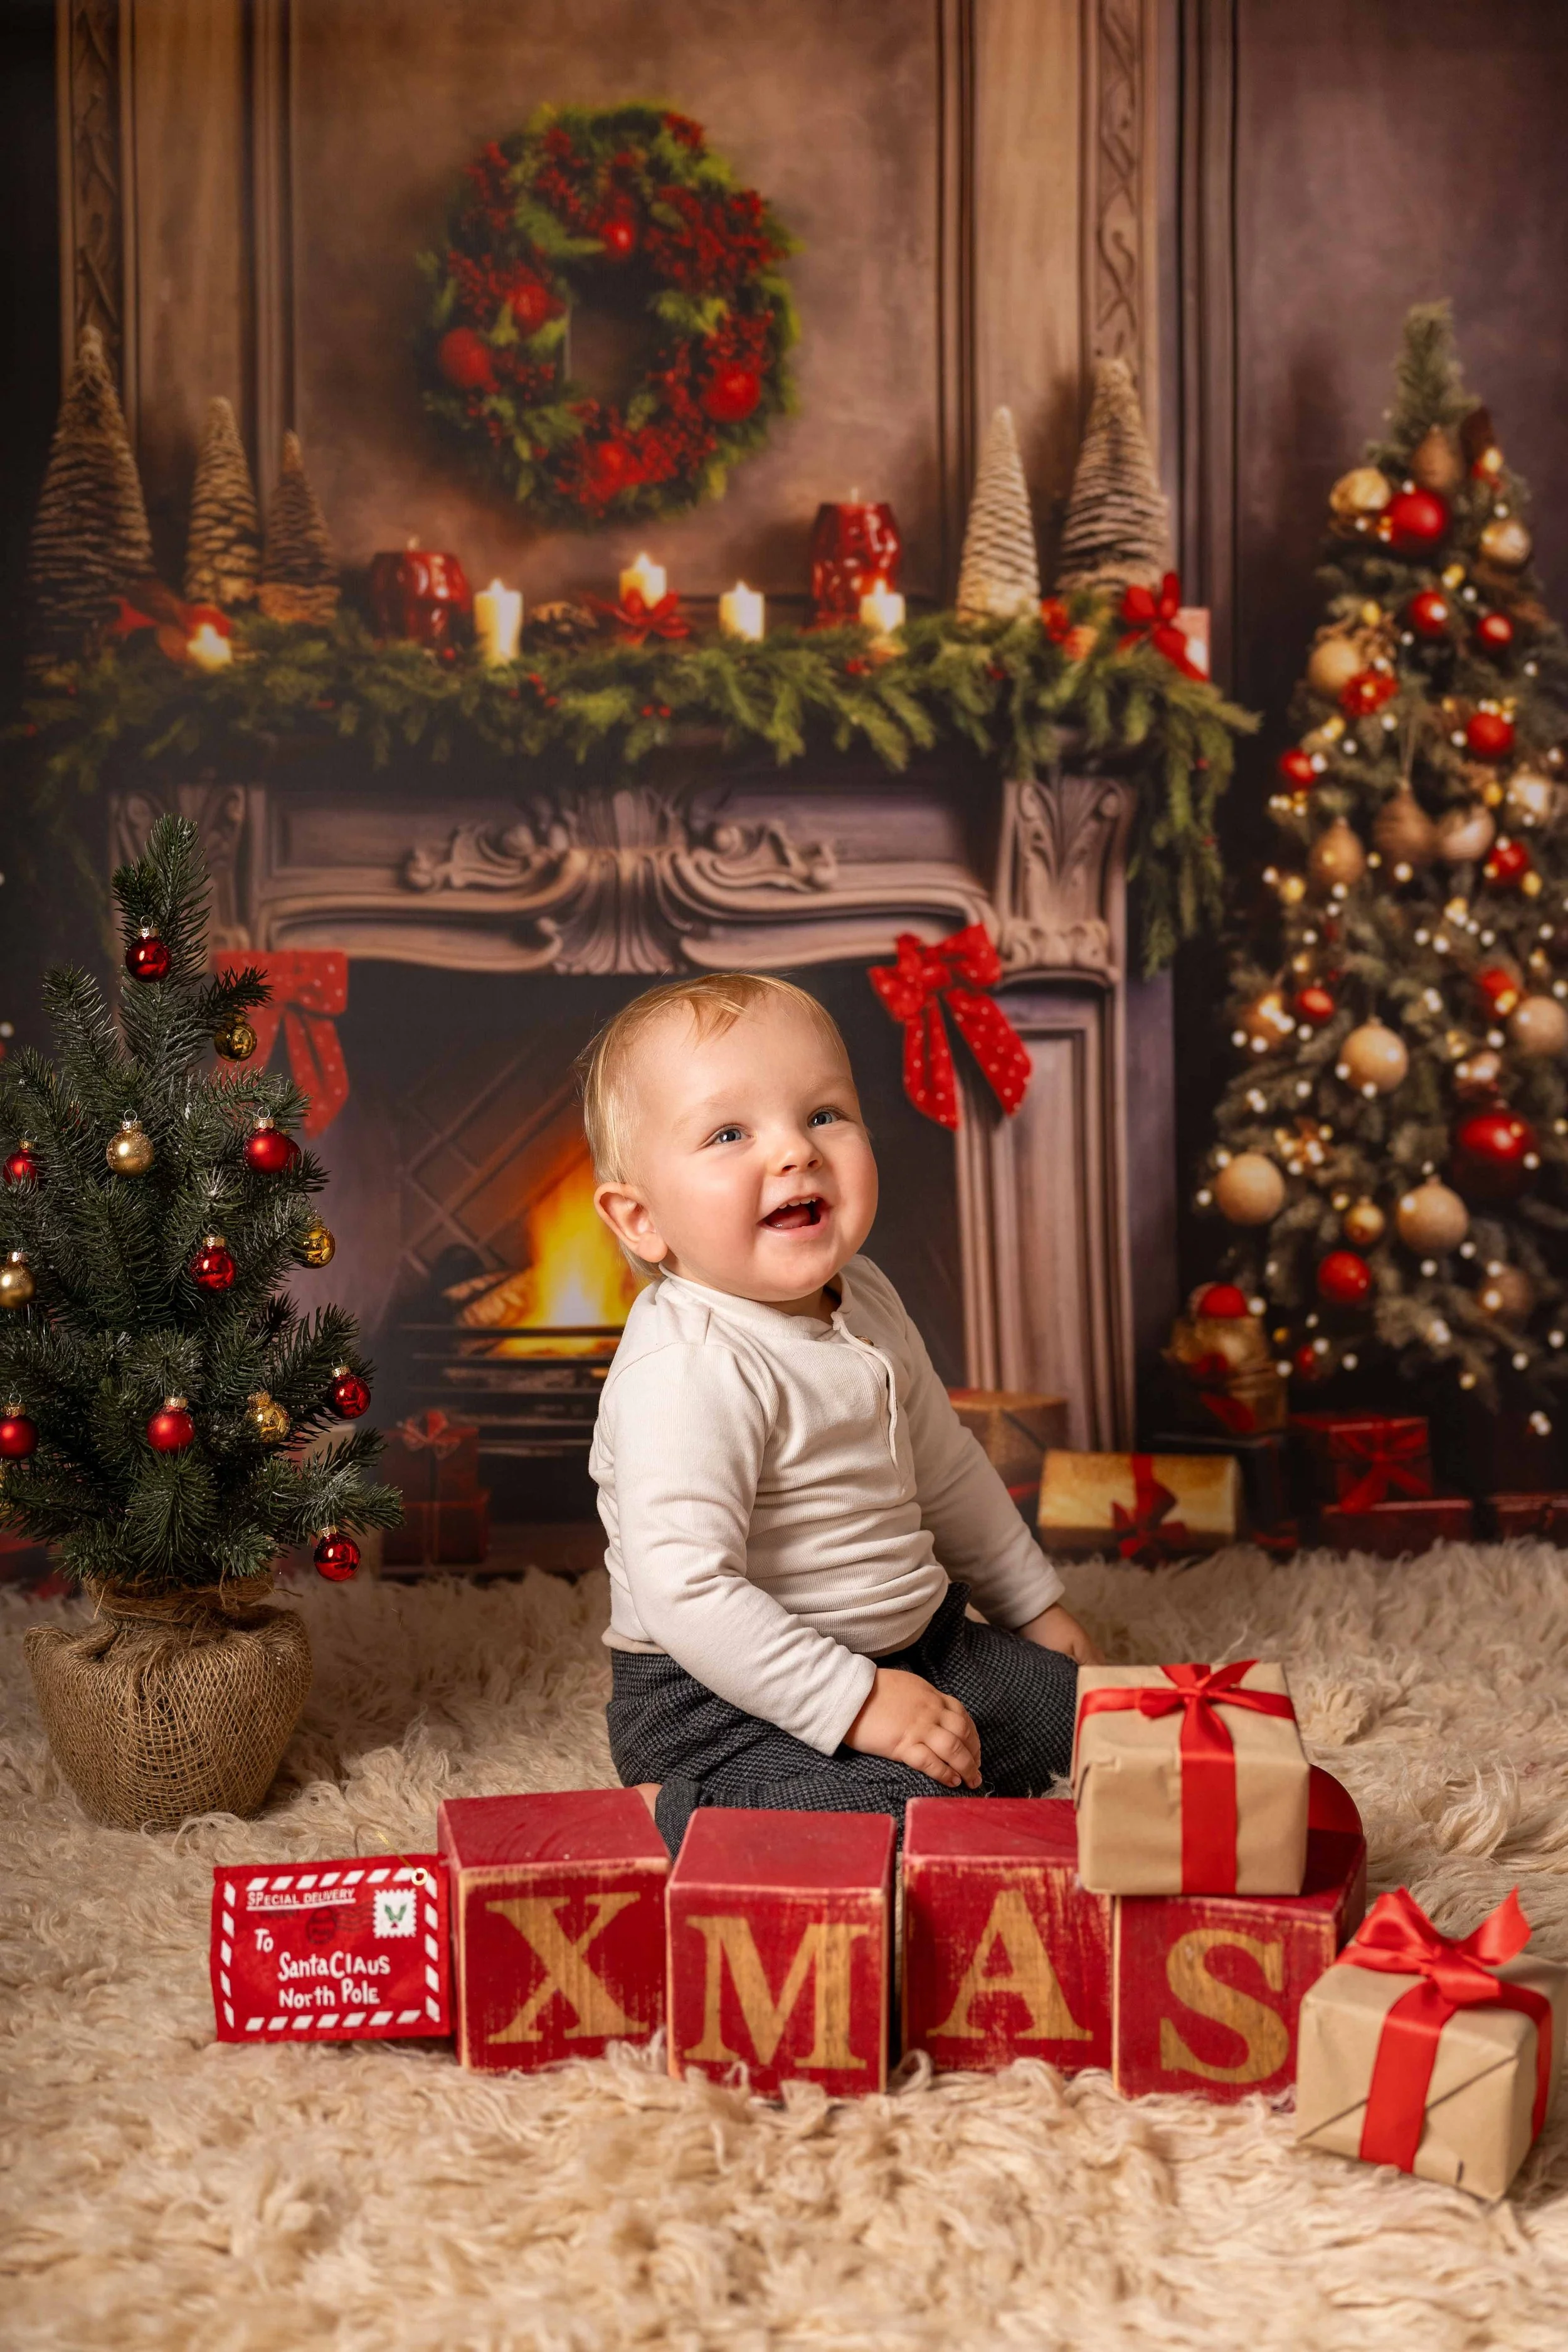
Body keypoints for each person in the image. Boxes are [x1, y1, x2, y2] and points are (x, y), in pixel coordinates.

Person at [582, 971, 1103, 1856]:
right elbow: (690, 1593)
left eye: (823, 1113)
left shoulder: (865, 1293)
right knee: (910, 1811)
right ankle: (679, 1808)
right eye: (729, 1132)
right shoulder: (690, 1367)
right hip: (724, 1700)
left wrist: (1037, 1613)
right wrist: (857, 1701)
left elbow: (946, 1468)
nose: (795, 1152)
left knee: (1085, 1717)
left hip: (919, 1645)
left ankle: (931, 1725)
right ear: (641, 1219)